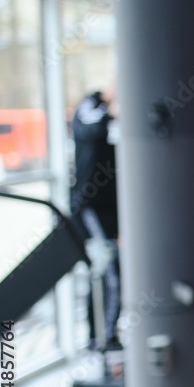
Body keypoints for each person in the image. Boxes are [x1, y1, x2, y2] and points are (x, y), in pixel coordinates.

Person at [70, 88, 121, 351]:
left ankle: (104, 335)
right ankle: (103, 337)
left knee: (110, 271)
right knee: (109, 272)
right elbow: (90, 128)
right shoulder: (90, 106)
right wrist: (110, 110)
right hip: (91, 207)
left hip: (112, 208)